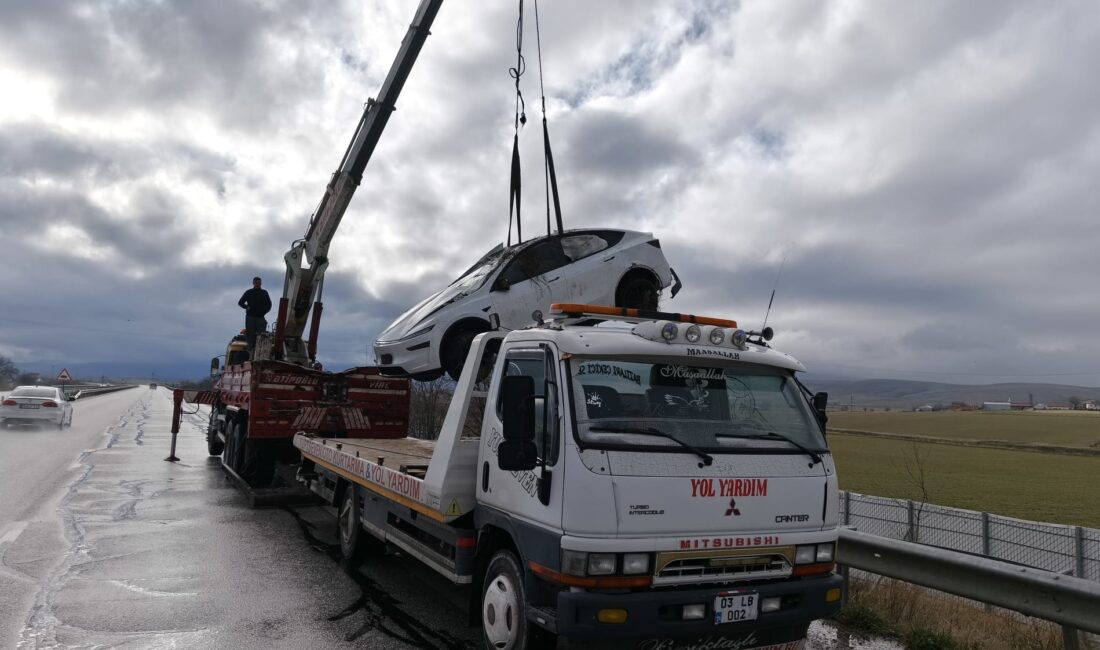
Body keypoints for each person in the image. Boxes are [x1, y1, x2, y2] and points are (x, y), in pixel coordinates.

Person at [238, 276, 272, 355]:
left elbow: (269, 304)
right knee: (250, 334)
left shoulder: (264, 292)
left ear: (261, 283)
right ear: (253, 283)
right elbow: (240, 302)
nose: (258, 284)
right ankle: (251, 351)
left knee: (261, 335)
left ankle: (260, 352)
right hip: (250, 317)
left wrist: (264, 311)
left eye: (259, 283)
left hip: (260, 317)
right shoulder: (249, 292)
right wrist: (247, 307)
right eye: (256, 283)